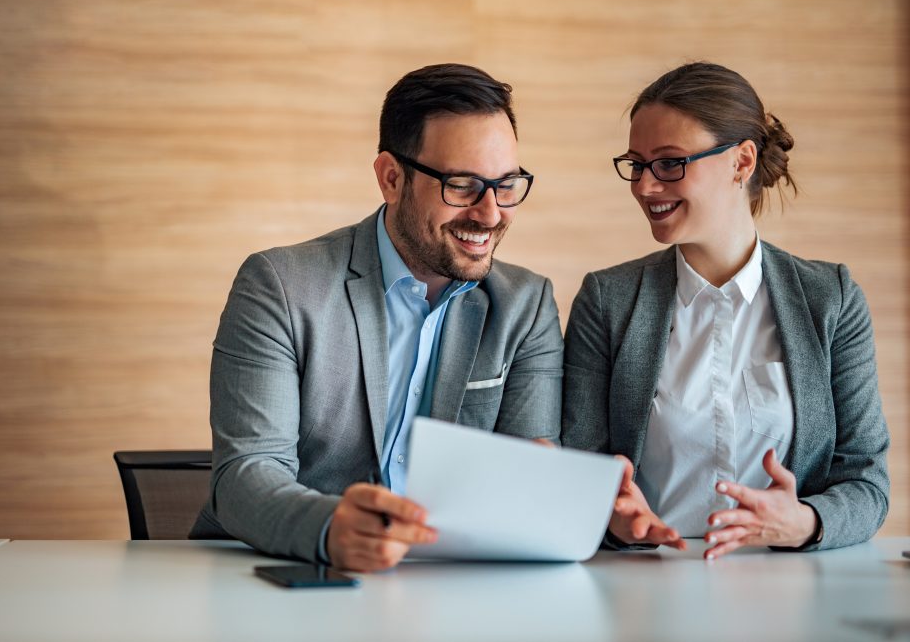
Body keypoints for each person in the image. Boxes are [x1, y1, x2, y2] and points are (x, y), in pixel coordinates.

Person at [191, 63, 563, 571]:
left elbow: (527, 478)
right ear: (392, 178)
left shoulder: (526, 304)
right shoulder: (279, 285)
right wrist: (329, 529)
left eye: (506, 185)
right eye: (462, 185)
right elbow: (246, 475)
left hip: (452, 585)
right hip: (291, 572)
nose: (491, 212)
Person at [562, 62, 890, 560]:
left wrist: (804, 521)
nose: (645, 187)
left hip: (792, 594)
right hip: (643, 589)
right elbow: (578, 468)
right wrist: (613, 519)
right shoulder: (607, 300)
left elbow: (867, 481)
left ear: (741, 162)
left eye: (669, 163)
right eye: (636, 164)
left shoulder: (832, 299)